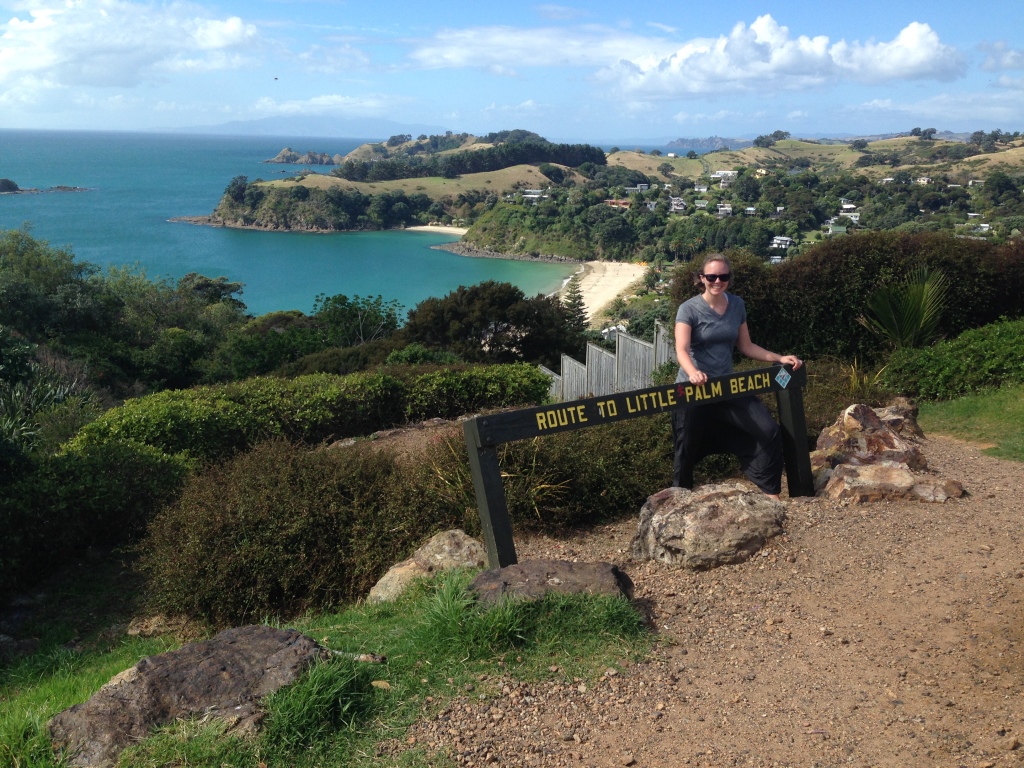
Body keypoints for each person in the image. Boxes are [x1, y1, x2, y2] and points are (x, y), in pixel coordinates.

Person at [673, 254, 802, 500]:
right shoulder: (688, 309)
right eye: (711, 277)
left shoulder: (737, 305)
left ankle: (770, 492)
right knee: (686, 446)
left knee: (768, 430)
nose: (717, 281)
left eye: (723, 276)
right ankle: (680, 500)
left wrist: (778, 358)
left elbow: (746, 346)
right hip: (693, 387)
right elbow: (681, 349)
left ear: (729, 279)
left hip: (726, 386)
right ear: (702, 279)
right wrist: (693, 373)